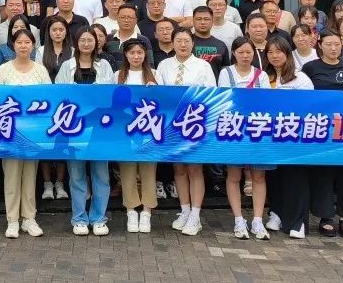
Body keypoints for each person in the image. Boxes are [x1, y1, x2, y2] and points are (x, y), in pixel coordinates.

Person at [302, 30, 343, 239]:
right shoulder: (310, 68)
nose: (333, 48)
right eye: (329, 44)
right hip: (321, 128)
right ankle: (325, 216)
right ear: (320, 45)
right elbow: (303, 98)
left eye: (337, 44)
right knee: (323, 172)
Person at [55, 27, 115, 236]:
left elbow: (111, 94)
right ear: (76, 43)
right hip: (74, 129)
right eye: (82, 40)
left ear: (96, 43)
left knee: (101, 176)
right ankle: (79, 218)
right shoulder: (67, 66)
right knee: (76, 176)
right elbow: (59, 94)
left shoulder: (104, 65)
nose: (86, 44)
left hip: (100, 130)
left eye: (90, 40)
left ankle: (99, 218)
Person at [157, 28, 216, 236]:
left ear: (193, 44)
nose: (183, 45)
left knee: (194, 169)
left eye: (187, 41)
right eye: (179, 41)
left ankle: (195, 216)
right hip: (172, 125)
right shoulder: (164, 65)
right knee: (179, 169)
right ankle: (184, 210)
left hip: (195, 124)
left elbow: (211, 95)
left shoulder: (203, 66)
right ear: (172, 43)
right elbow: (160, 94)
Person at [0, 29, 51, 239]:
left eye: (27, 42)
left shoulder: (40, 70)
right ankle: (12, 220)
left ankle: (29, 218)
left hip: (33, 133)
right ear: (13, 45)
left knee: (30, 175)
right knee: (11, 175)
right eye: (19, 42)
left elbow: (49, 99)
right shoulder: (3, 69)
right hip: (10, 131)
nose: (23, 46)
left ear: (33, 45)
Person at [217, 37, 271, 240]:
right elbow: (224, 99)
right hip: (233, 129)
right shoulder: (226, 73)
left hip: (257, 129)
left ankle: (257, 220)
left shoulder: (261, 75)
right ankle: (238, 219)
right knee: (234, 176)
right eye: (241, 52)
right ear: (234, 53)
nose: (245, 56)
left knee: (258, 176)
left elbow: (266, 101)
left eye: (249, 52)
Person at [264, 37, 315, 240]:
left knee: (295, 177)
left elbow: (309, 107)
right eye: (270, 52)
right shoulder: (263, 77)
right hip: (269, 135)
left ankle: (297, 222)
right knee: (273, 176)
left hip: (294, 136)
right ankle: (276, 213)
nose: (274, 56)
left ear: (287, 54)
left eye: (279, 52)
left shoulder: (300, 78)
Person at [116, 38, 160, 234]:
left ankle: (147, 211)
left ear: (145, 55)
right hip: (125, 131)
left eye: (139, 53)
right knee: (127, 171)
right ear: (126, 55)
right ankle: (131, 210)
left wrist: (156, 91)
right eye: (132, 53)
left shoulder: (155, 74)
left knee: (148, 170)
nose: (136, 56)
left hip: (149, 131)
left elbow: (165, 103)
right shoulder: (118, 76)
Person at [33, 15, 71, 200]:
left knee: (62, 142)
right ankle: (47, 183)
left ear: (66, 32)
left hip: (67, 103)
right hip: (46, 102)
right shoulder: (40, 51)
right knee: (46, 142)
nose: (58, 33)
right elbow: (39, 76)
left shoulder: (72, 51)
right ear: (48, 32)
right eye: (54, 30)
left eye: (61, 30)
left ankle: (60, 183)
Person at [103, 4, 153, 68]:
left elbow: (149, 66)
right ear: (117, 19)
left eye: (130, 17)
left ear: (136, 20)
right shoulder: (108, 39)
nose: (126, 20)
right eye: (123, 17)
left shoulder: (143, 40)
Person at [190, 6, 229, 77]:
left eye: (206, 19)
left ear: (212, 21)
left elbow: (226, 72)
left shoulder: (221, 45)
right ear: (193, 21)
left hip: (215, 83)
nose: (202, 22)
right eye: (198, 19)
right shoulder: (185, 43)